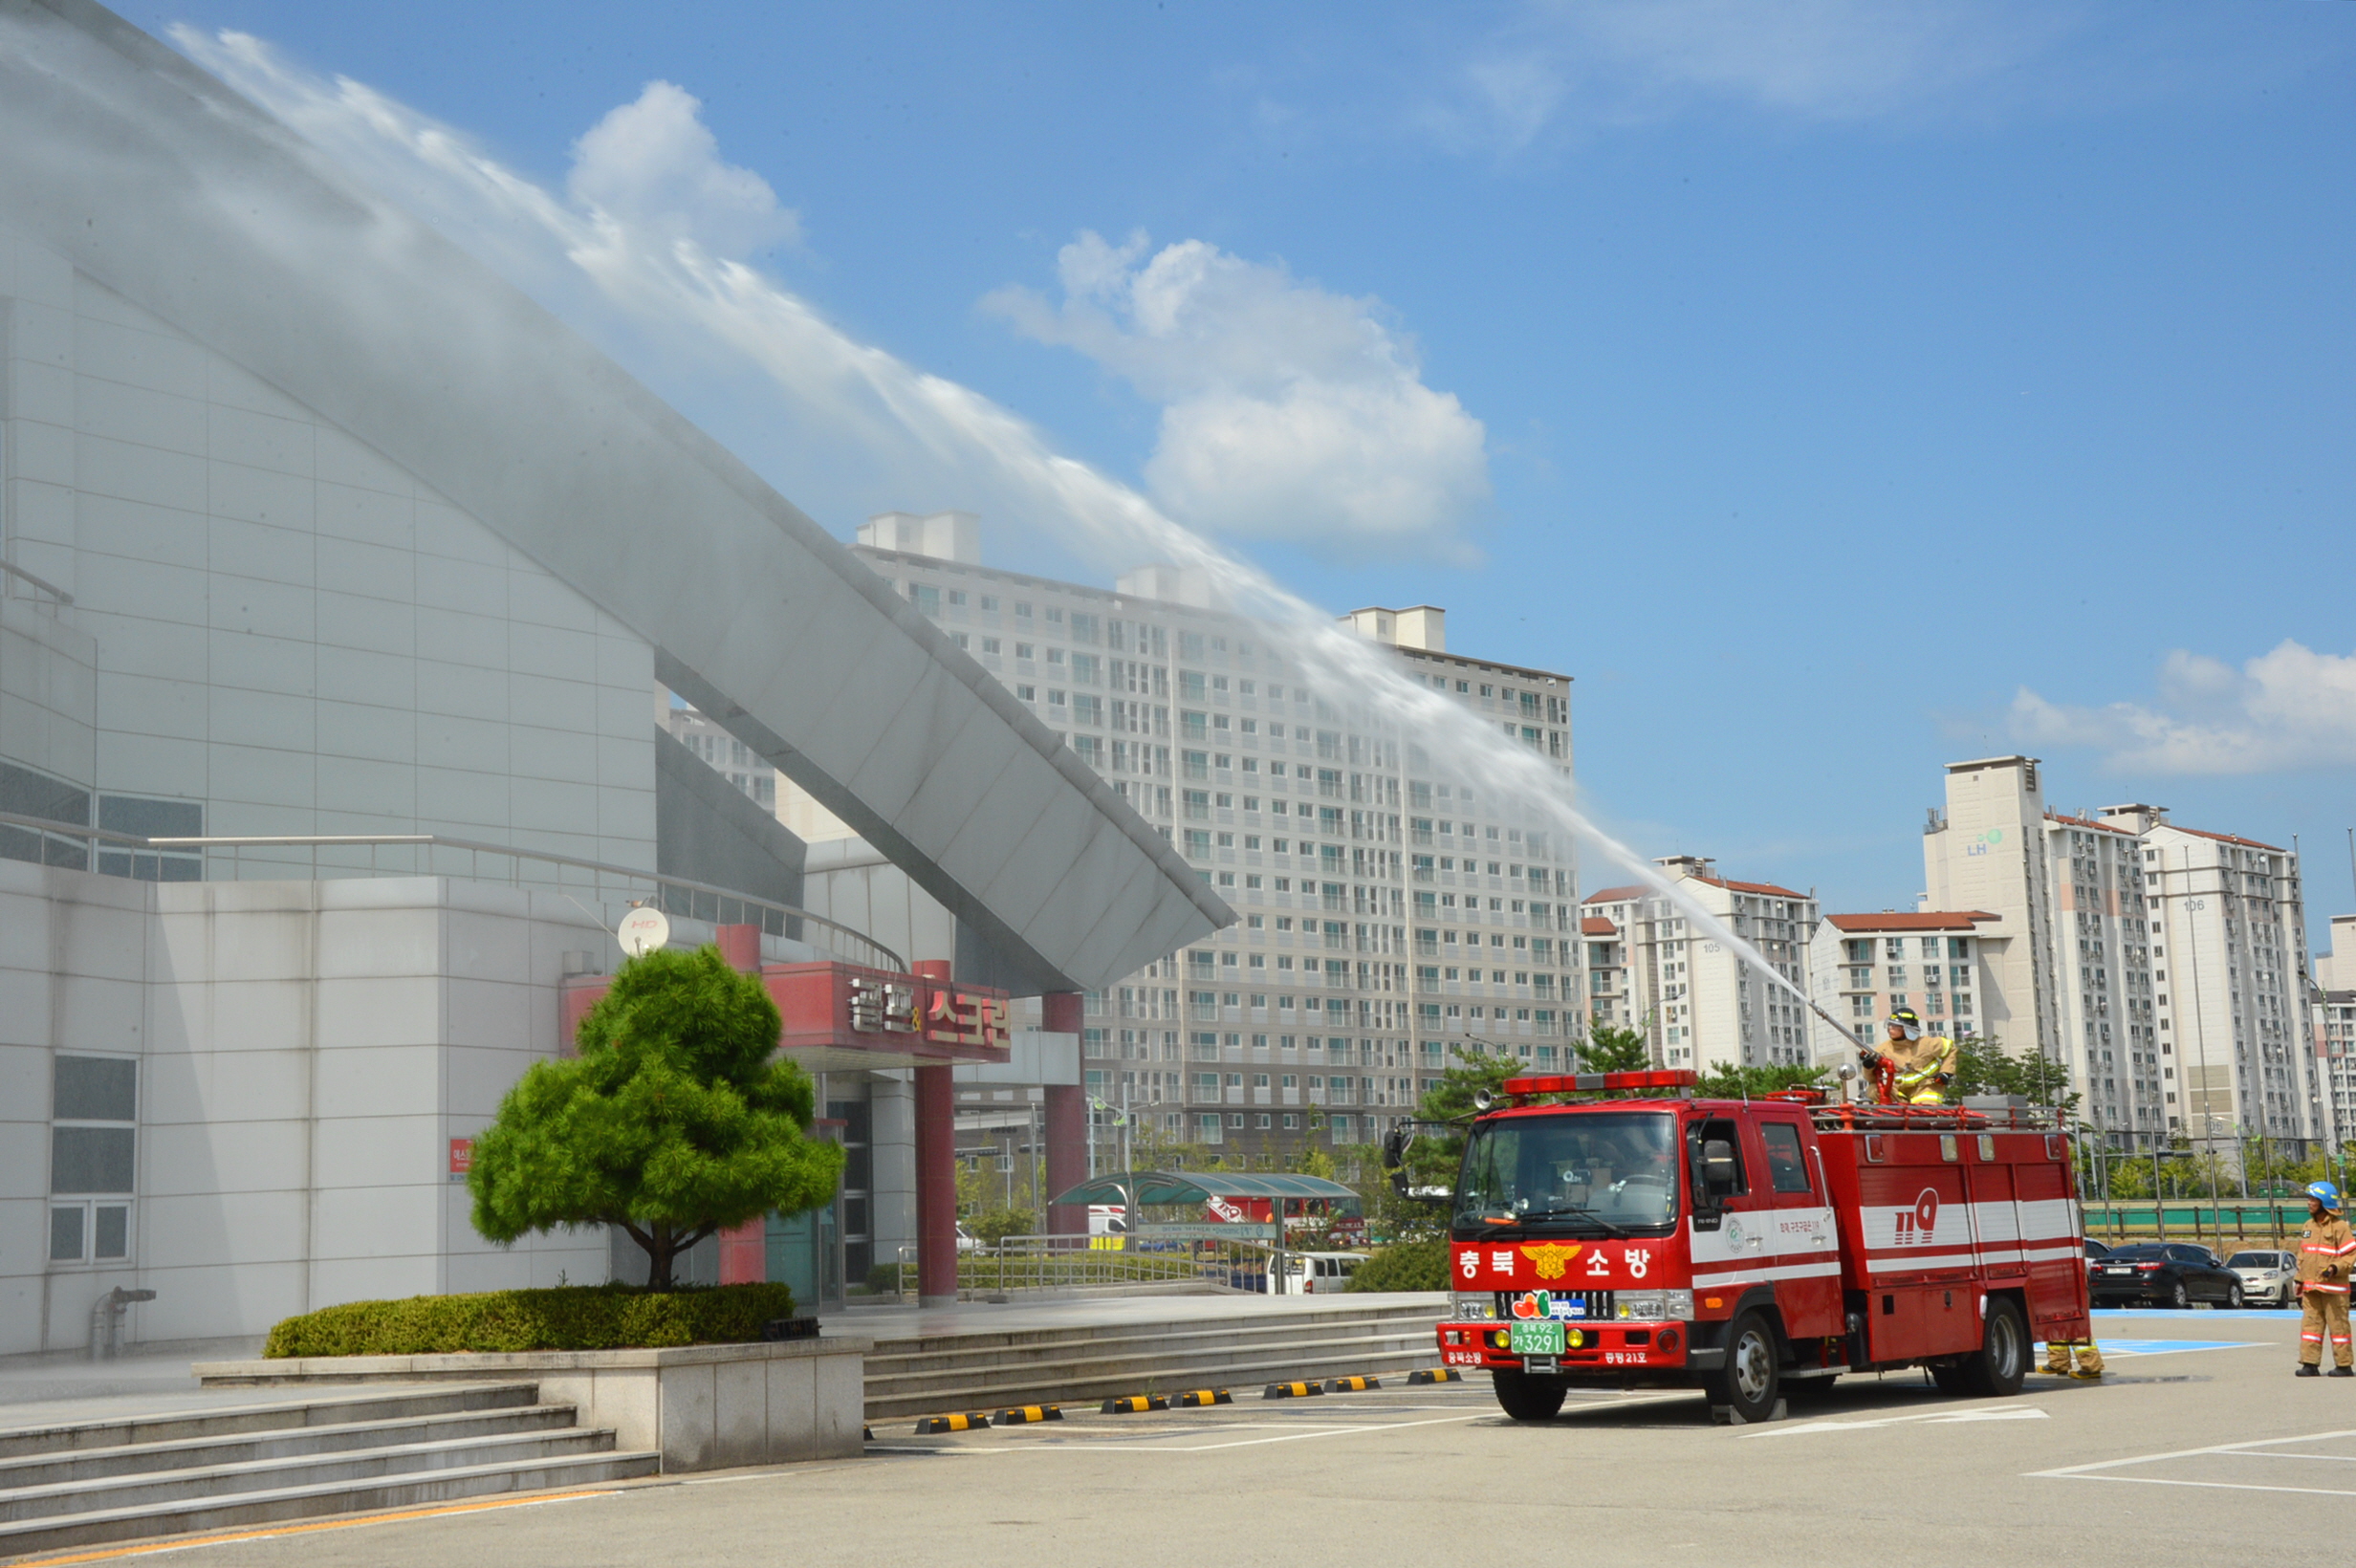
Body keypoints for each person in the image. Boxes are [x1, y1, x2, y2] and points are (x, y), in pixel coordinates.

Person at [2295, 1180, 2356, 1377]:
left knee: (2339, 1328)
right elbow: (2303, 1254)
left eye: (2313, 1199)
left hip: (2334, 1290)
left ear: (2324, 1202)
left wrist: (2334, 1268)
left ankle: (2344, 1365)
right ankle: (2309, 1364)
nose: (2309, 1202)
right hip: (2311, 1288)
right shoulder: (2308, 1226)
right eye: (2309, 1199)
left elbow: (2350, 1254)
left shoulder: (2340, 1227)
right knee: (2311, 1326)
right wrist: (2299, 1280)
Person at [1858, 1008, 1956, 1106]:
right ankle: (1891, 1114)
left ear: (1908, 1029)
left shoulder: (1926, 1043)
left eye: (1896, 1026)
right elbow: (1872, 1079)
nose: (1891, 1029)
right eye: (1890, 1025)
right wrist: (1868, 1066)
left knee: (1925, 1111)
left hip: (1925, 1088)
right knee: (1873, 1089)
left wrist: (1946, 1073)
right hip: (1900, 1092)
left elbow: (1950, 1049)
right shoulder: (1883, 1050)